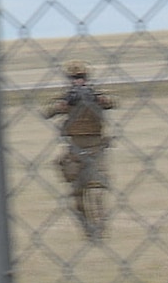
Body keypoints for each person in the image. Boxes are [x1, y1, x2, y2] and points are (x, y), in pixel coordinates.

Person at [43, 60, 117, 240]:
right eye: (75, 78)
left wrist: (97, 99)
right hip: (75, 148)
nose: (78, 81)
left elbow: (112, 103)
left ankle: (99, 228)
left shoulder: (94, 95)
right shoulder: (68, 97)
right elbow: (47, 112)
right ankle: (87, 229)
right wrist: (65, 104)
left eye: (81, 77)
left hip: (96, 147)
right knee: (77, 194)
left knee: (97, 190)